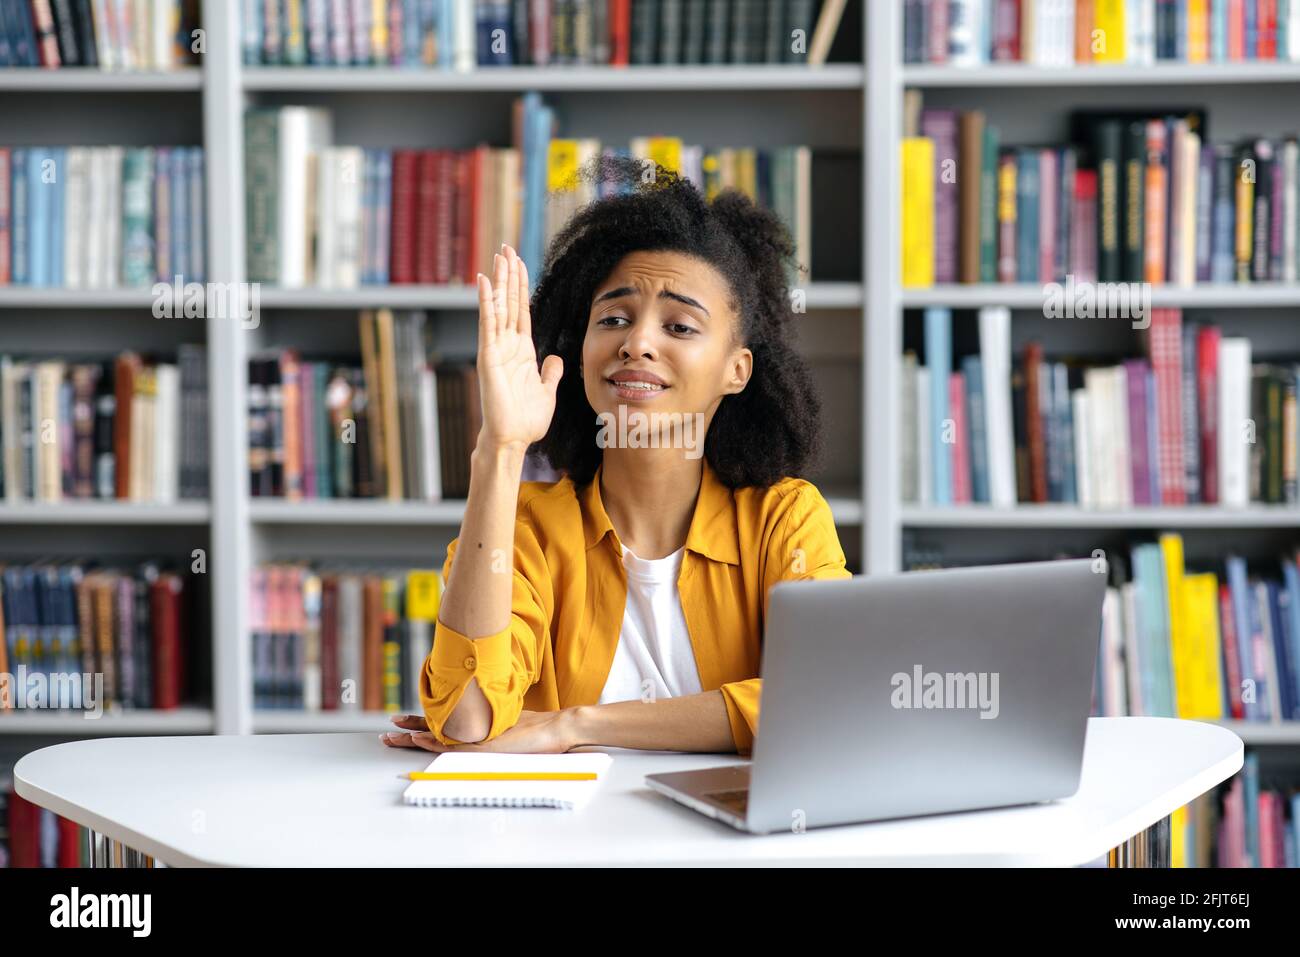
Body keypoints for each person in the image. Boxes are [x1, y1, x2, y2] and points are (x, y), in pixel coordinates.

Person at [381, 157, 849, 756]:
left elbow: (824, 698)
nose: (637, 342)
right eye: (614, 318)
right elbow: (468, 716)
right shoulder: (526, 528)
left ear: (737, 371)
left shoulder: (785, 521)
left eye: (679, 327)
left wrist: (574, 725)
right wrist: (500, 448)